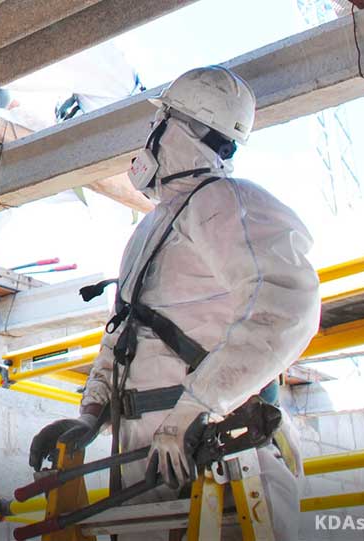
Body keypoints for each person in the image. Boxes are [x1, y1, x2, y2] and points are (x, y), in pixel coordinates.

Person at [28, 66, 321, 540]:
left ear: (177, 129)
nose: (149, 137)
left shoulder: (225, 203)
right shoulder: (154, 226)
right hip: (150, 457)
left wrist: (197, 407)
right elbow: (124, 334)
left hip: (217, 456)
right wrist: (91, 415)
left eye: (157, 122)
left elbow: (288, 308)